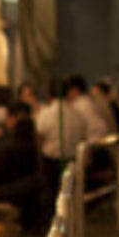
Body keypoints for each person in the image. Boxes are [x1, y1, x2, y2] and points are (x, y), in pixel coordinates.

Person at [36, 76, 88, 212]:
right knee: (68, 197)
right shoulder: (78, 114)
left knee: (51, 196)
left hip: (51, 160)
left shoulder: (46, 113)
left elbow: (40, 136)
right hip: (72, 159)